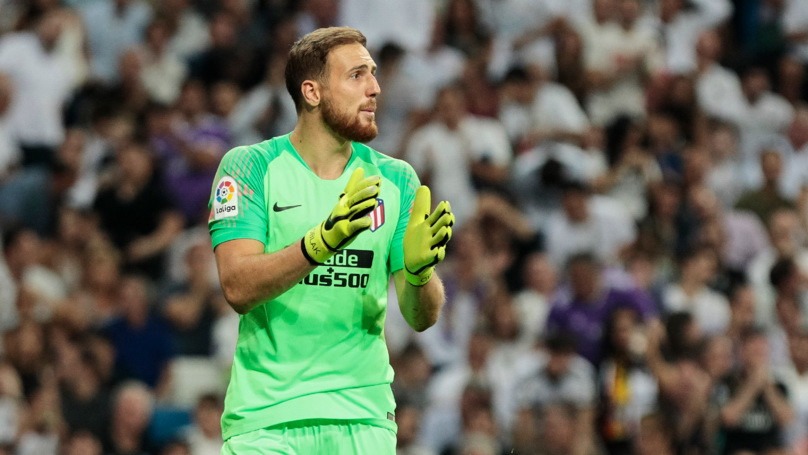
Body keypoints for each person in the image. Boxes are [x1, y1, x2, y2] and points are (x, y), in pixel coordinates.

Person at [208, 27, 455, 454]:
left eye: (373, 74)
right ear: (312, 92)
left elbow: (420, 317)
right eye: (357, 75)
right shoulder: (249, 167)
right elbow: (238, 287)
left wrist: (419, 274)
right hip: (267, 421)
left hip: (364, 418)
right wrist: (319, 243)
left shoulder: (397, 179)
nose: (375, 88)